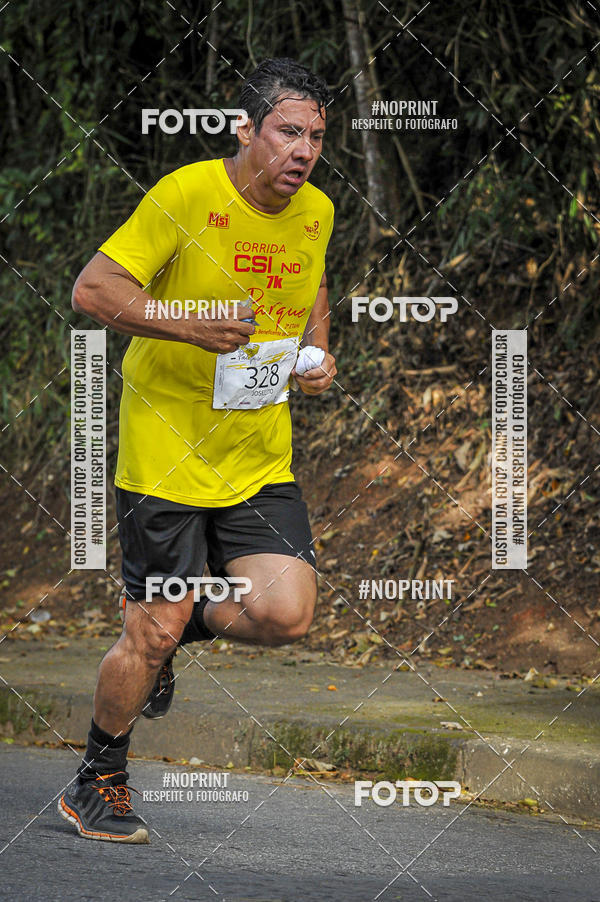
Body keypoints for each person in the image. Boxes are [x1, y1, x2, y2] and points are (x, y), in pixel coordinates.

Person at [58, 57, 336, 843]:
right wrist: (189, 325)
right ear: (245, 129)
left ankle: (175, 628)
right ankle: (98, 778)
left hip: (257, 454)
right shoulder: (185, 194)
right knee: (149, 630)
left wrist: (317, 352)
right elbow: (93, 288)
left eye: (315, 136)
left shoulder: (317, 210)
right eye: (288, 131)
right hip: (167, 453)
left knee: (286, 612)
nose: (303, 149)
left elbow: (312, 285)